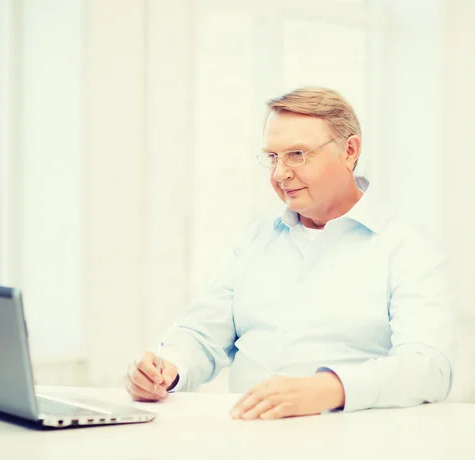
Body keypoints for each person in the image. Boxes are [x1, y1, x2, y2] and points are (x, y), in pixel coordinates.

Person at [124, 87, 455, 420]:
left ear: (350, 151)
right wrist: (166, 369)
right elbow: (202, 335)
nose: (280, 173)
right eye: (273, 157)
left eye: (297, 154)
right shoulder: (254, 241)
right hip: (247, 435)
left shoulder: (406, 247)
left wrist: (329, 388)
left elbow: (429, 368)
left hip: (354, 439)